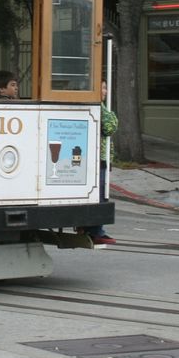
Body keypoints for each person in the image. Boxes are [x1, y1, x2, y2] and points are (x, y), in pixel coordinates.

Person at [81, 81, 117, 244]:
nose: (105, 91)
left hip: (100, 157)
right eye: (102, 87)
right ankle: (96, 230)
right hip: (98, 158)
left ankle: (90, 227)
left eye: (105, 87)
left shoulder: (99, 108)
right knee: (99, 194)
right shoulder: (99, 109)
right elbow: (110, 126)